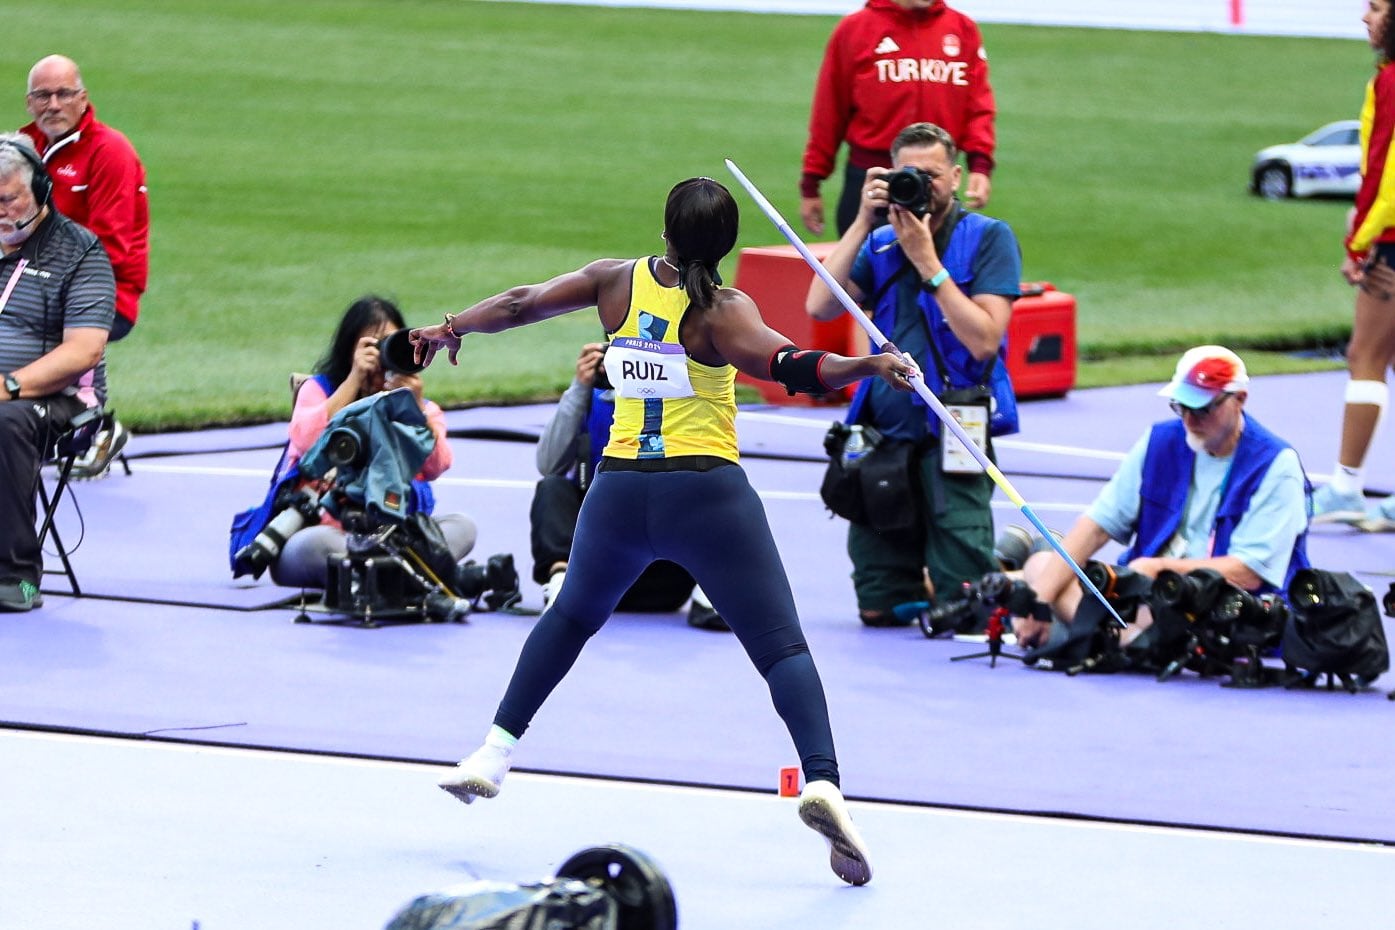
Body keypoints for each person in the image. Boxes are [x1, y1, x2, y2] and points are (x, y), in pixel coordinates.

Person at [411, 177, 920, 886]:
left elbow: (521, 303)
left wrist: (449, 329)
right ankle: (823, 781)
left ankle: (492, 752)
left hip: (618, 493)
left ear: (665, 234)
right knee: (780, 648)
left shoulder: (614, 284)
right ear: (728, 244)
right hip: (706, 496)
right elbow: (794, 369)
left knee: (570, 618)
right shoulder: (725, 312)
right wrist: (873, 363)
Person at [805, 121, 1021, 627]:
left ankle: (1005, 567)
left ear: (956, 175)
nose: (920, 185)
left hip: (954, 428)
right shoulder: (880, 242)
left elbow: (985, 339)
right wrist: (861, 220)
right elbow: (818, 306)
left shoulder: (989, 238)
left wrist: (929, 264)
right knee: (881, 608)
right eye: (908, 173)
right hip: (886, 434)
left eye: (931, 174)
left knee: (966, 609)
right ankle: (923, 575)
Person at [1010, 346, 1311, 651]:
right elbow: (1096, 526)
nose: (1190, 420)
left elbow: (1247, 573)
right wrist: (1038, 603)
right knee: (1041, 565)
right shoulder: (1160, 441)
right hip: (1146, 593)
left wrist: (1158, 569)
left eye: (1203, 408)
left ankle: (1112, 639)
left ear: (1240, 399)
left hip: (1220, 608)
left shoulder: (1276, 465)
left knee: (1052, 577)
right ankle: (1120, 641)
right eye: (1181, 407)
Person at [268, 295, 477, 589]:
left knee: (463, 527)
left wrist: (414, 410)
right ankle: (406, 579)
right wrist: (353, 380)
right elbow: (306, 444)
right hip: (331, 532)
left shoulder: (420, 407)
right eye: (373, 344)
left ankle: (374, 578)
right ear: (350, 348)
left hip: (395, 534)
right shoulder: (319, 390)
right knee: (315, 545)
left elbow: (437, 465)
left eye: (391, 343)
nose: (382, 354)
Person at [531, 340, 729, 630]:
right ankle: (561, 584)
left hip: (662, 577)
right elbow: (548, 465)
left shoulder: (684, 396)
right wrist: (579, 388)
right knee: (552, 488)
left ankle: (710, 594)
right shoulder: (593, 398)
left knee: (719, 488)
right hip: (592, 579)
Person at [0, 133, 114, 612]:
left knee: (4, 423)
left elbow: (83, 352)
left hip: (63, 401)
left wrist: (8, 386)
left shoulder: (81, 253)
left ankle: (18, 577)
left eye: (8, 200)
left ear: (42, 191)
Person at [21, 54, 149, 479]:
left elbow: (107, 250)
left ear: (82, 98)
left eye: (63, 94)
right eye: (42, 95)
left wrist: (38, 282)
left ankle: (95, 426)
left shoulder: (110, 153)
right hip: (31, 283)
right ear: (29, 102)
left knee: (36, 320)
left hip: (108, 292)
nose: (53, 104)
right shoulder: (21, 150)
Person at [800, 0, 996, 236]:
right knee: (859, 271)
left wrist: (980, 165)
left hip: (935, 185)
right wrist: (811, 183)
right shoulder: (855, 29)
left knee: (938, 271)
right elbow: (829, 111)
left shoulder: (963, 29)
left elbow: (978, 106)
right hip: (872, 181)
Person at [1311, 1, 1395, 531]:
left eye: (1377, 8)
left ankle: (1344, 485)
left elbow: (1384, 172)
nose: (1366, 18)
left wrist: (1360, 245)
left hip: (1391, 241)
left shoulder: (1390, 83)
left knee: (1364, 355)